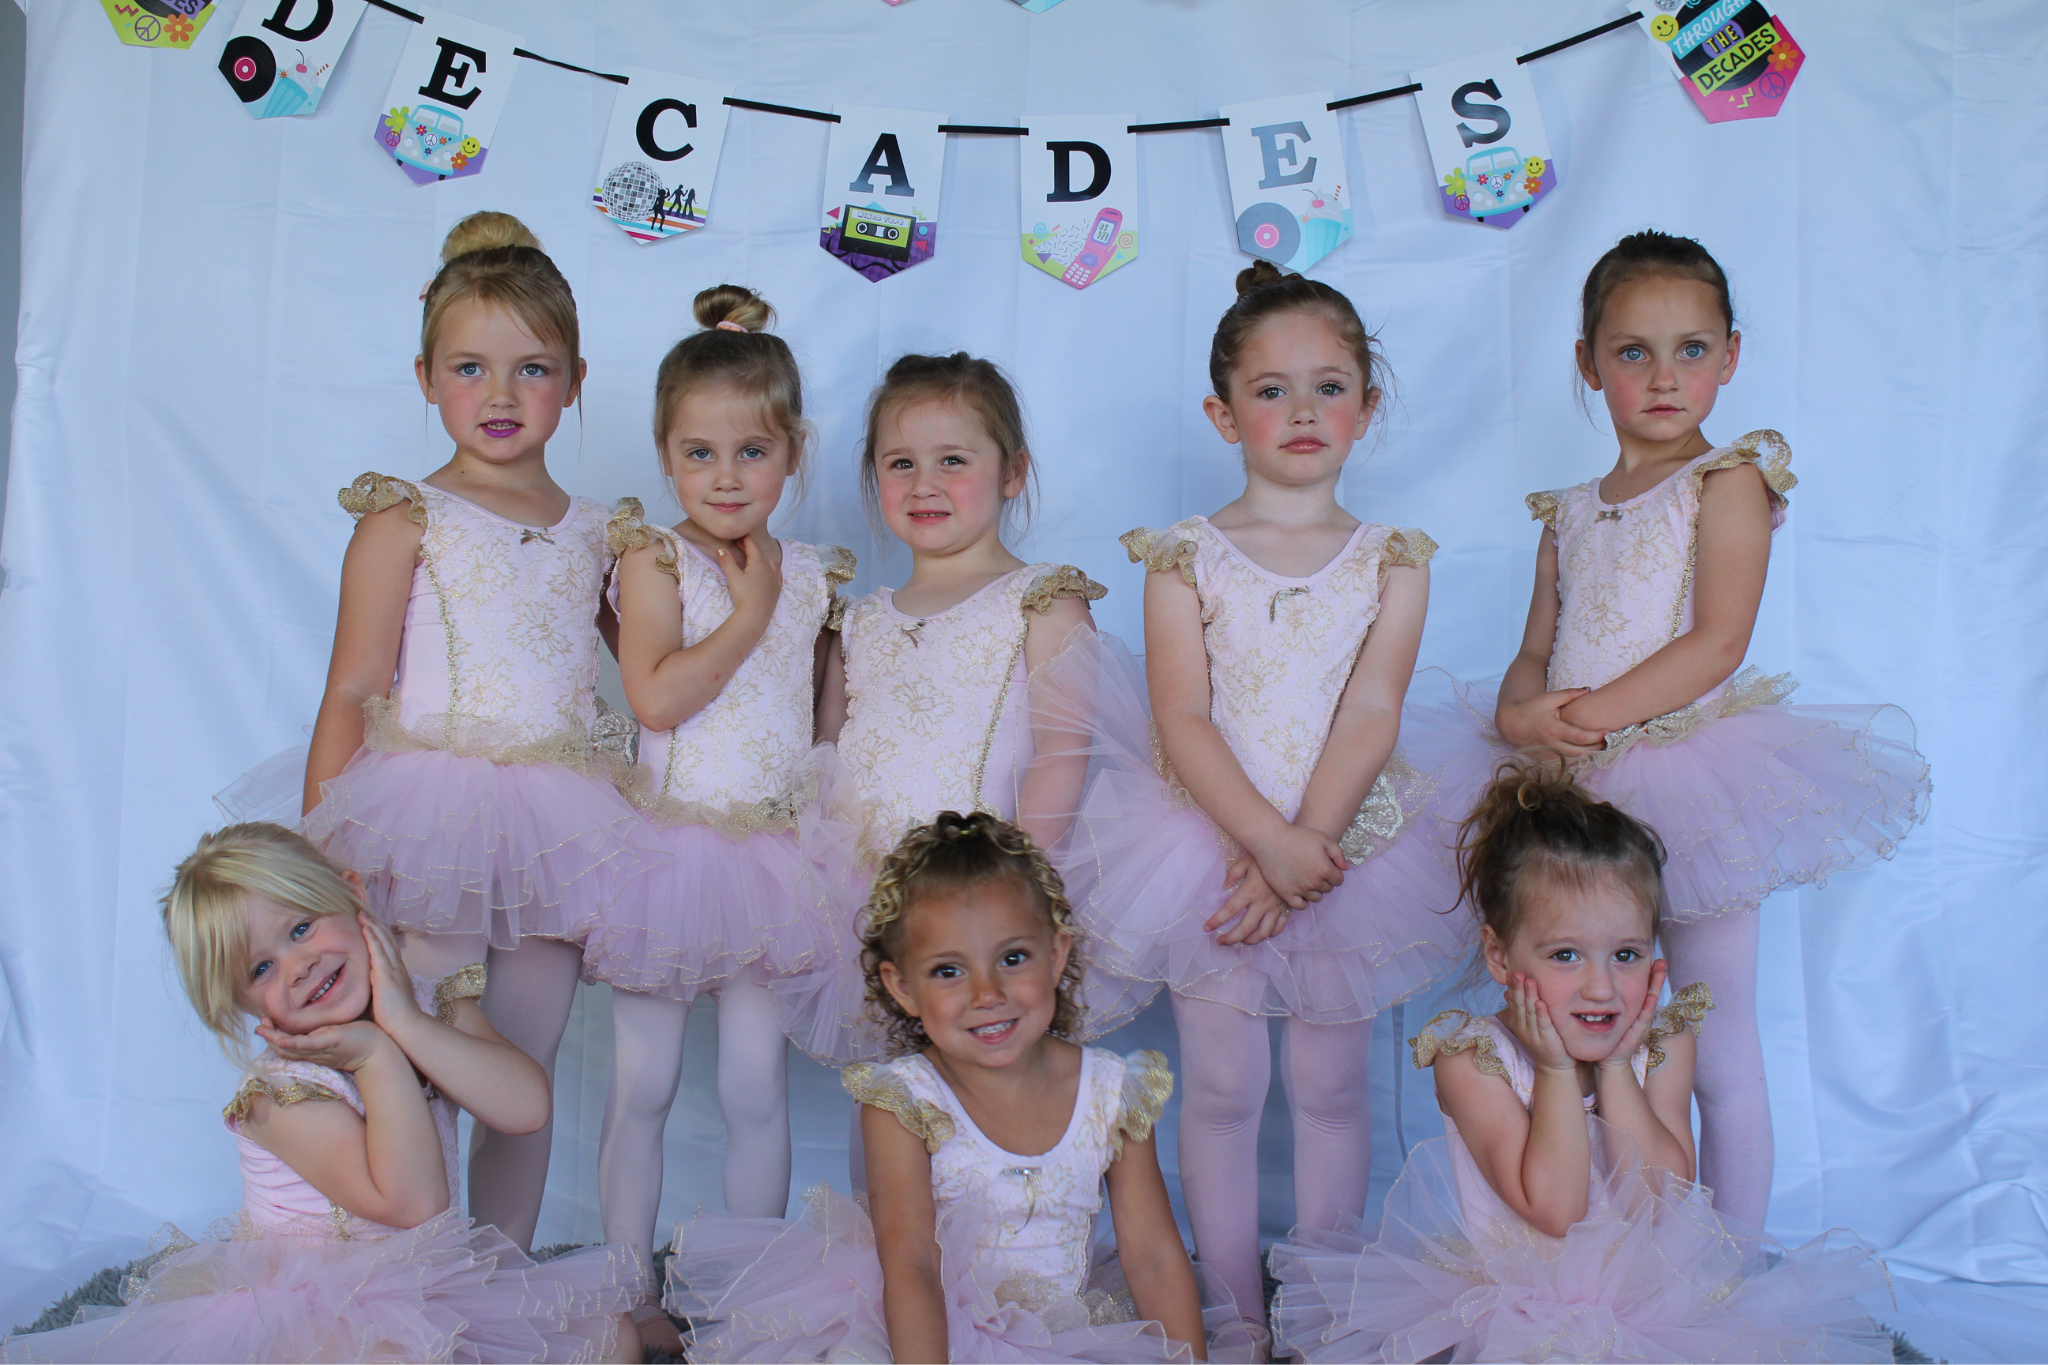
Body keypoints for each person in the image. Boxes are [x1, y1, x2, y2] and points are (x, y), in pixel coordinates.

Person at [1487, 229, 1930, 1222]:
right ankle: (1615, 1242)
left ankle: (1727, 1264)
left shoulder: (1725, 479)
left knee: (1710, 1030)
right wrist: (1519, 709)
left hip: (1688, 778)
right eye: (1631, 351)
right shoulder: (1565, 512)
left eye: (1690, 349)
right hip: (1572, 778)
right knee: (1584, 1018)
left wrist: (1585, 730)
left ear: (1728, 356)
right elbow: (1536, 644)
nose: (1661, 376)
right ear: (1586, 364)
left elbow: (1716, 642)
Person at [1071, 260, 1477, 1340]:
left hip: (1348, 849)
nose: (1302, 411)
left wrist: (1308, 847)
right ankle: (1233, 1314)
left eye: (1329, 386)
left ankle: (1329, 1312)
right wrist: (1263, 845)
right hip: (1203, 848)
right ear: (1221, 412)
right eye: (1270, 388)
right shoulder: (1179, 559)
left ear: (1367, 407)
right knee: (1219, 1089)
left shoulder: (1391, 561)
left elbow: (1371, 712)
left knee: (1332, 1088)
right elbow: (1183, 722)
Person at [1268, 762, 1892, 1363]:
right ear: (1499, 955)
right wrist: (1558, 1072)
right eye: (1566, 956)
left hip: (1661, 1301)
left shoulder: (1662, 1047)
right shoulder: (1472, 1061)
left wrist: (1619, 1067)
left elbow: (1660, 1202)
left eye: (1625, 954)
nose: (1602, 988)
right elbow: (1557, 1210)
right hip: (1517, 1311)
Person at [299, 210, 659, 1249]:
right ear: (424, 377)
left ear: (576, 378)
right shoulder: (403, 515)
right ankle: (406, 1281)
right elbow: (350, 688)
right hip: (426, 822)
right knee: (421, 1064)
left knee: (521, 1075)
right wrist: (326, 853)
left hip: (557, 830)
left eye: (531, 369)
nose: (499, 397)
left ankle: (498, 1291)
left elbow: (654, 676)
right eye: (469, 367)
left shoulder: (603, 533)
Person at [1, 823, 642, 1364]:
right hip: (310, 1306)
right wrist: (375, 1053)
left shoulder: (427, 1006)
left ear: (352, 895)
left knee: (614, 1339)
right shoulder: (278, 1096)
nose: (297, 966)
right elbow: (413, 1202)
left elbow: (524, 1108)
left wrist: (408, 1025)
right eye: (260, 969)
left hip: (430, 1282)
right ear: (243, 1004)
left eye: (301, 929)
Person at [668, 812, 1250, 1363]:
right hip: (928, 1329)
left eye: (1013, 958)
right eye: (949, 970)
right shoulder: (904, 1102)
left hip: (1064, 1330)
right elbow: (912, 1262)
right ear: (901, 988)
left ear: (1057, 955)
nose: (986, 993)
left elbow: (1151, 1258)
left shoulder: (1111, 1093)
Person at [591, 284, 851, 1343]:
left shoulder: (816, 576)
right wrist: (747, 611)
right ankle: (624, 1291)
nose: (724, 477)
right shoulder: (654, 558)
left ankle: (748, 1292)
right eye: (698, 454)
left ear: (791, 453)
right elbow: (654, 695)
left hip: (773, 863)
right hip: (666, 850)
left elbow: (825, 724)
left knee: (754, 1084)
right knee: (643, 1079)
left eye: (750, 452)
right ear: (663, 456)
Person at [776, 351, 1154, 1064]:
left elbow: (1063, 749)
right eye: (900, 464)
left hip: (989, 902)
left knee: (990, 1093)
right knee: (890, 1099)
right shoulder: (859, 619)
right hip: (876, 905)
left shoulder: (1042, 599)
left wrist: (1010, 886)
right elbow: (825, 759)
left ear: (1012, 472)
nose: (924, 484)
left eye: (953, 460)